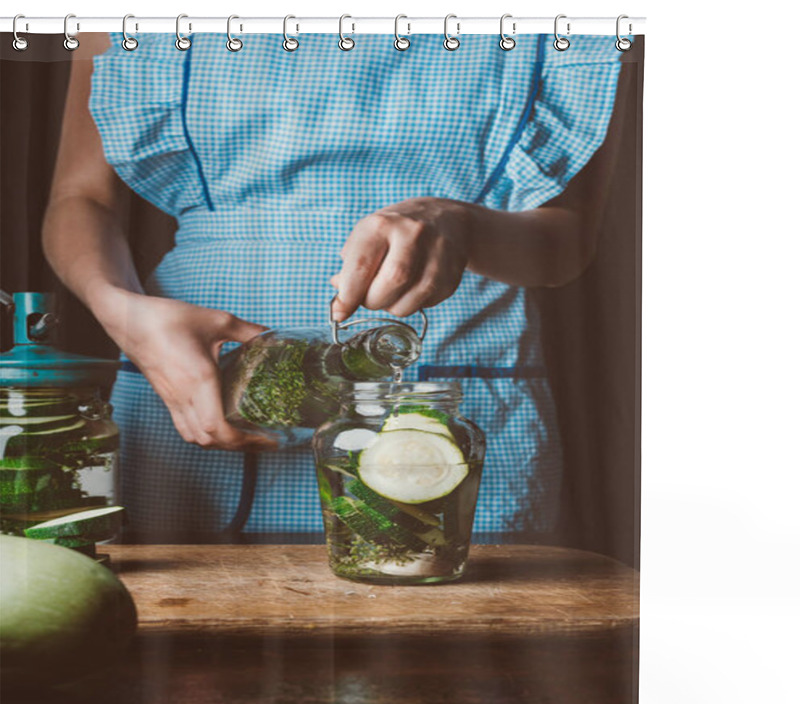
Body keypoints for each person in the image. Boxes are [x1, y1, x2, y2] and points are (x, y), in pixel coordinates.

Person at [43, 31, 627, 543]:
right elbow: (81, 198)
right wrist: (120, 311)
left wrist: (465, 226)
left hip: (450, 391)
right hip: (186, 391)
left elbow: (569, 242)